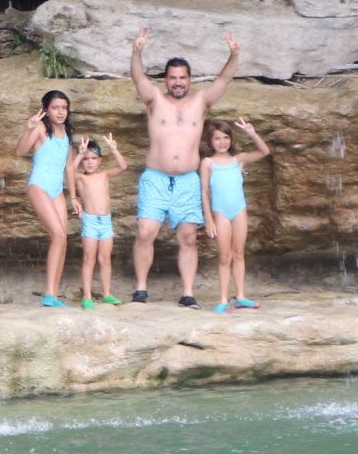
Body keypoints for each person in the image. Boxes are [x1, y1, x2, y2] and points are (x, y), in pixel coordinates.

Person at [128, 26, 240, 307]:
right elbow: (138, 77)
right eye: (173, 78)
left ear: (190, 80)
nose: (178, 82)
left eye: (183, 78)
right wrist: (137, 52)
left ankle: (188, 293)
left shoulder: (200, 102)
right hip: (155, 177)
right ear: (166, 79)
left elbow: (224, 80)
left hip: (188, 180)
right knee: (145, 232)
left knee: (189, 237)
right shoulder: (154, 100)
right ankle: (140, 290)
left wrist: (234, 54)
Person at [200, 117, 271, 312]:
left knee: (239, 253)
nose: (222, 142)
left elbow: (265, 152)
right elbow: (204, 192)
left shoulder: (237, 160)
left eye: (225, 137)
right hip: (220, 213)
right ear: (210, 141)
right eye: (217, 138)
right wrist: (209, 220)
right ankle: (223, 300)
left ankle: (240, 296)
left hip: (239, 211)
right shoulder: (207, 163)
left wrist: (252, 133)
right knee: (225, 256)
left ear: (231, 139)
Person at [15, 89, 78, 307]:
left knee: (63, 239)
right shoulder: (41, 129)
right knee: (58, 235)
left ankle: (53, 294)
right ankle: (49, 295)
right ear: (46, 110)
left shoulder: (68, 132)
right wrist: (28, 129)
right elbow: (19, 151)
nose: (60, 112)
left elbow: (69, 166)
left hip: (57, 190)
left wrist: (74, 198)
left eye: (64, 108)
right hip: (39, 186)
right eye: (55, 108)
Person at [69, 133, 129, 308]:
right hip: (90, 220)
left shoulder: (104, 175)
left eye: (94, 158)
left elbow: (123, 166)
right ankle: (87, 296)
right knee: (89, 258)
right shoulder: (80, 177)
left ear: (100, 160)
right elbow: (69, 170)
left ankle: (106, 294)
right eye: (86, 159)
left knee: (105, 259)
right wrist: (79, 153)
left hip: (106, 221)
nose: (89, 162)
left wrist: (114, 149)